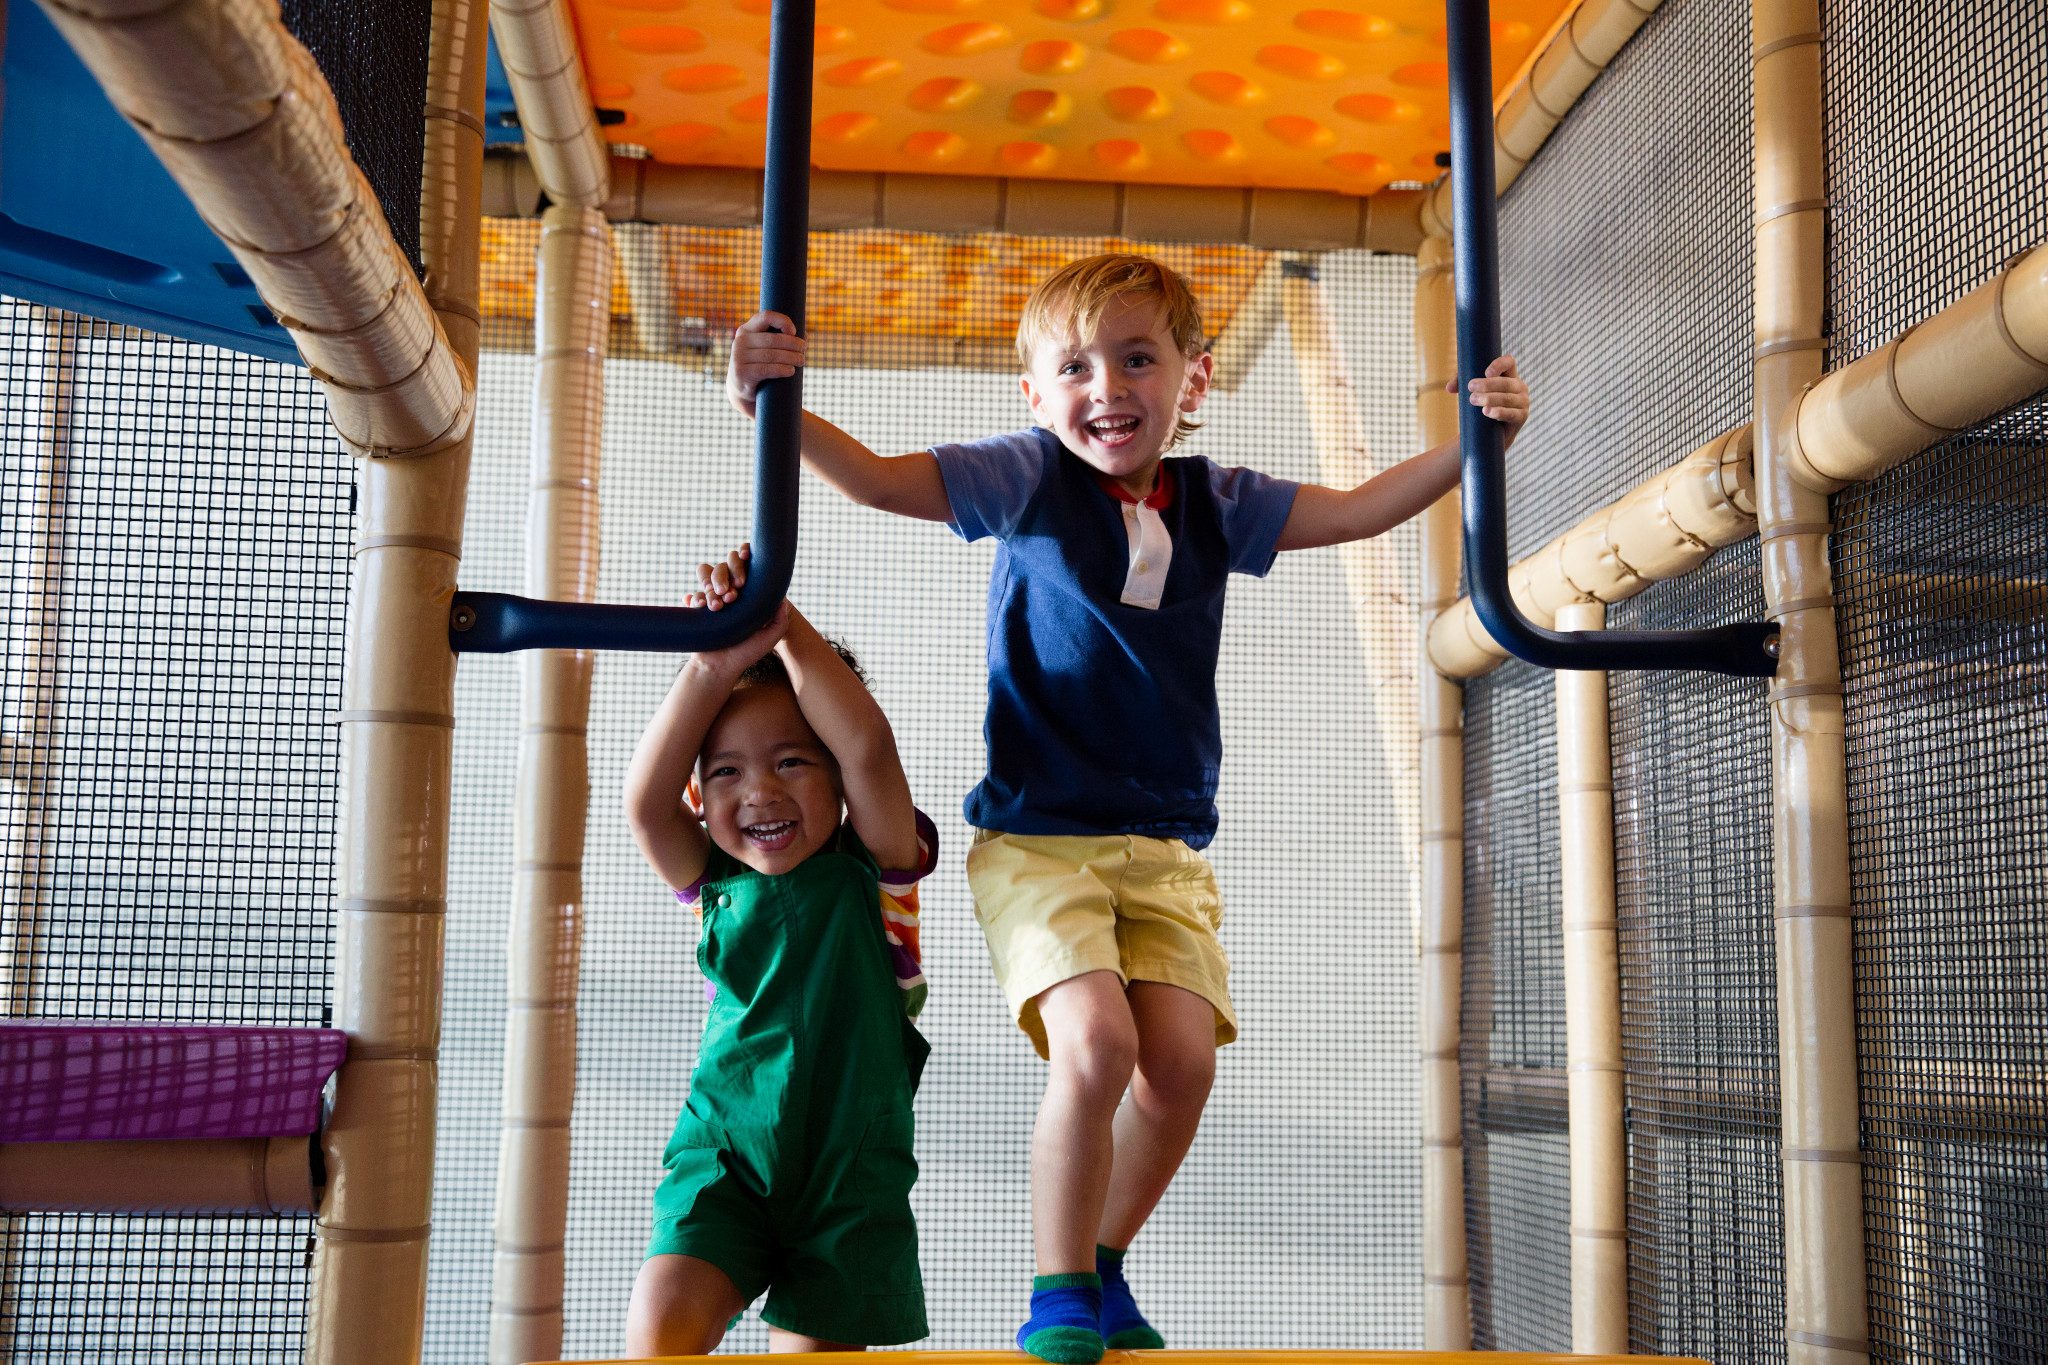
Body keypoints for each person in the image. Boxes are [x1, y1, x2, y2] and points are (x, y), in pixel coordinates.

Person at [725, 252, 1529, 1364]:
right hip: (1040, 845)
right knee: (1094, 1046)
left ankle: (1102, 1261)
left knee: (1182, 1066)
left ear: (1192, 379)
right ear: (1035, 396)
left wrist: (1470, 445)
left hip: (1162, 850)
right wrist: (778, 403)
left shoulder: (1216, 503)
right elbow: (872, 481)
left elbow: (1351, 512)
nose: (1106, 386)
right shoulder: (1025, 482)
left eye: (1137, 358)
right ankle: (1054, 1288)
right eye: (1074, 367)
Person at [622, 551, 935, 1355]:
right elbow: (644, 801)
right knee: (661, 1325)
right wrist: (710, 665)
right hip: (726, 1158)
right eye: (726, 772)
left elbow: (867, 742)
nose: (759, 791)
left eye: (792, 760)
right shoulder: (709, 877)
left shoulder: (881, 871)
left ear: (839, 783)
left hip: (848, 1185)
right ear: (702, 799)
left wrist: (782, 623)